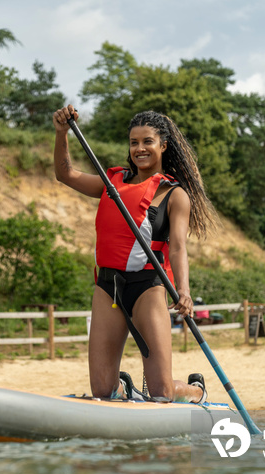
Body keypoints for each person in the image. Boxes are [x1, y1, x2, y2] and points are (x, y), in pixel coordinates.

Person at [52, 104, 218, 403]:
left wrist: (184, 291)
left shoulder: (174, 194)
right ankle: (125, 390)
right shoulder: (110, 183)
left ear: (163, 146)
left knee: (161, 392)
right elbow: (65, 174)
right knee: (102, 391)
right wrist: (62, 133)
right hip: (108, 288)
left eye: (147, 142)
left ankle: (196, 390)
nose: (139, 149)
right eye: (133, 142)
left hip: (148, 287)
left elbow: (178, 246)